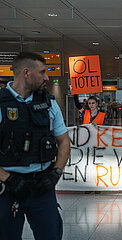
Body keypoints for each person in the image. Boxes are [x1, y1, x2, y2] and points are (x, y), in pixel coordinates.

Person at [0, 52, 70, 239]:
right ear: (26, 73)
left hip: (41, 186)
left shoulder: (48, 104)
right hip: (7, 189)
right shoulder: (1, 104)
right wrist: (8, 178)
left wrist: (56, 172)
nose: (46, 77)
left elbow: (63, 142)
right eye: (42, 72)